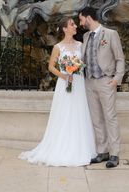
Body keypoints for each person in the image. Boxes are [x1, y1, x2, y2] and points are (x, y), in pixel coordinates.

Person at [19, 17, 96, 167]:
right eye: (72, 24)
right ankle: (62, 147)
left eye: (74, 24)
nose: (75, 26)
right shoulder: (58, 47)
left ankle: (80, 148)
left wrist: (78, 67)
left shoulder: (81, 45)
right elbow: (51, 67)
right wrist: (64, 75)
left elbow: (84, 62)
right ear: (65, 29)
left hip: (79, 83)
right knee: (65, 113)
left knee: (78, 113)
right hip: (65, 83)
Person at [79, 6, 125, 168]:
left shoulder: (111, 34)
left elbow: (120, 58)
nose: (80, 22)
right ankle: (102, 151)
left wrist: (116, 79)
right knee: (96, 118)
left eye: (81, 19)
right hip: (89, 82)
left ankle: (114, 153)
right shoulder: (85, 36)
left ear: (88, 18)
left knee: (110, 117)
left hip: (106, 81)